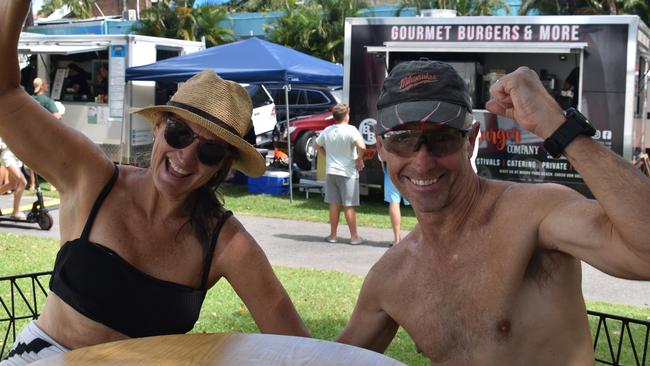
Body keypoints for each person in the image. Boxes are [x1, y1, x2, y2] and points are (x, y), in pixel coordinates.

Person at [0, 1, 309, 364]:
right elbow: (5, 95)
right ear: (159, 123)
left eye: (210, 151)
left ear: (222, 166)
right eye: (180, 133)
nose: (187, 157)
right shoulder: (94, 178)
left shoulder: (223, 241)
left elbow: (300, 347)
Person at [336, 60, 650, 364]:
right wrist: (282, 300)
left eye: (442, 139)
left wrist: (558, 127)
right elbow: (329, 361)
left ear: (470, 141)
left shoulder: (532, 215)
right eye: (403, 141)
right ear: (381, 148)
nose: (422, 162)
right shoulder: (391, 279)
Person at [315, 103, 366, 245]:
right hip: (348, 172)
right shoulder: (351, 130)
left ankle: (333, 236)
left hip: (332, 171)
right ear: (346, 116)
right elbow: (362, 146)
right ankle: (354, 237)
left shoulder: (327, 130)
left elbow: (316, 145)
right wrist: (359, 159)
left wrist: (326, 155)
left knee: (334, 204)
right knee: (349, 205)